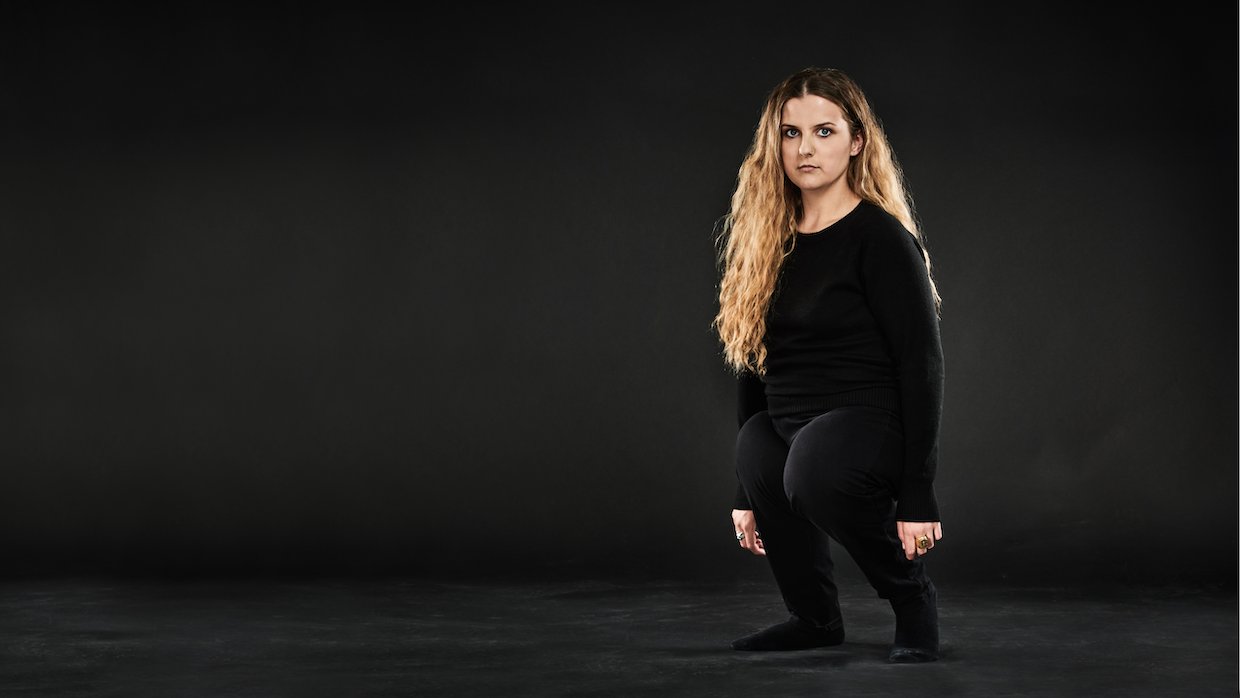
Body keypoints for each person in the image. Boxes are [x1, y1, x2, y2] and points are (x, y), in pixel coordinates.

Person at [714, 67, 945, 663]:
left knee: (809, 468)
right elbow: (750, 364)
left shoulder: (881, 239)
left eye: (824, 130)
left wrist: (918, 493)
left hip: (869, 425)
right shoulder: (767, 239)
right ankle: (814, 619)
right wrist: (746, 491)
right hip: (795, 423)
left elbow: (921, 363)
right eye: (790, 134)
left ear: (857, 140)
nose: (805, 148)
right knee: (756, 447)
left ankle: (912, 598)